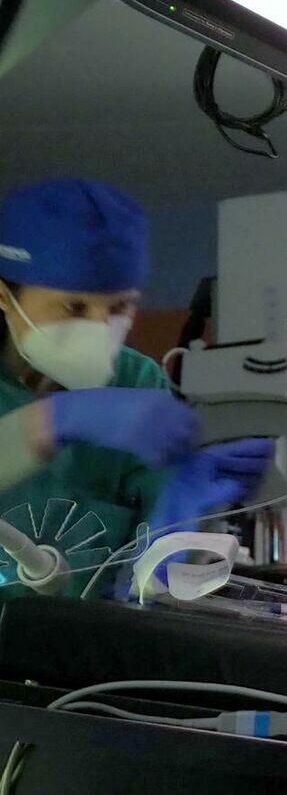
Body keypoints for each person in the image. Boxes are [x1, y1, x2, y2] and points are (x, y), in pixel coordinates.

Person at [0, 179, 270, 594]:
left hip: (88, 634)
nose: (99, 328)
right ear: (4, 296)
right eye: (74, 306)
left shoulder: (138, 382)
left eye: (120, 306)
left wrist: (181, 515)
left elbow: (150, 584)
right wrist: (50, 422)